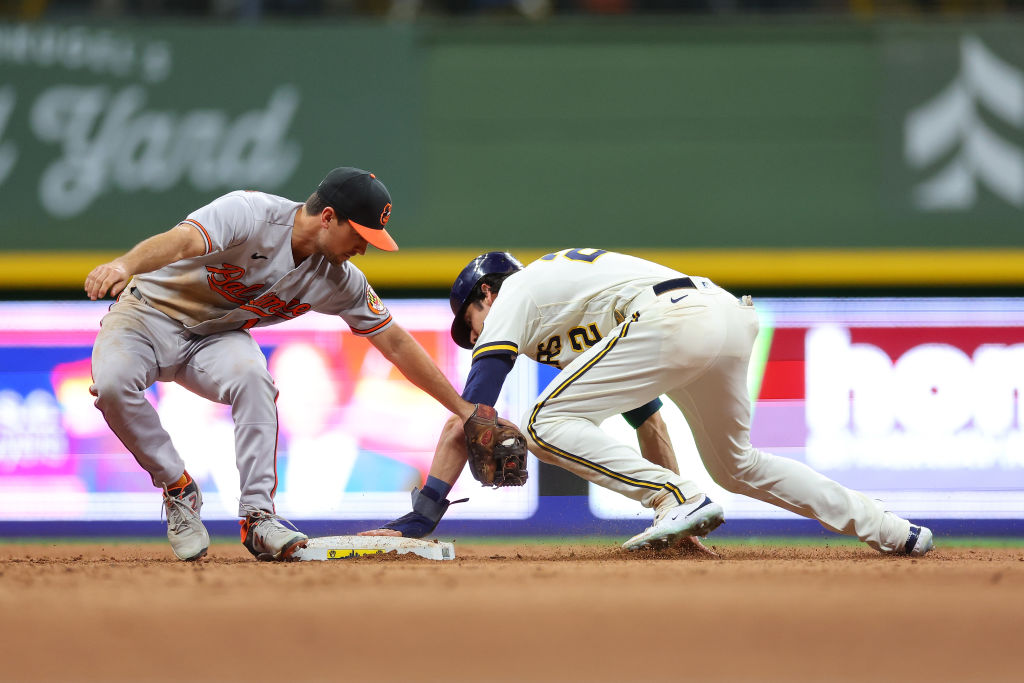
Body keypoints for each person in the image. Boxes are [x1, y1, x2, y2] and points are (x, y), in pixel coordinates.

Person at [363, 248, 935, 557]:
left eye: (471, 324)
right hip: (724, 318)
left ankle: (676, 497)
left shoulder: (513, 292)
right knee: (736, 465)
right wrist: (680, 523)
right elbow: (650, 421)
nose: (476, 335)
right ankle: (888, 528)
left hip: (672, 319)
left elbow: (472, 413)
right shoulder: (566, 318)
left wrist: (422, 516)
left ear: (483, 294)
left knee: (540, 421)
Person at [85, 167, 485, 562]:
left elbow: (396, 343)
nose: (363, 248)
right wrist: (124, 265)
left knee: (254, 379)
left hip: (215, 338)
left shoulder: (340, 279)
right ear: (328, 217)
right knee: (113, 385)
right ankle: (177, 487)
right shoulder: (250, 213)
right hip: (147, 313)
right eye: (360, 235)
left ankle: (258, 518)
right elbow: (179, 242)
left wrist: (463, 409)